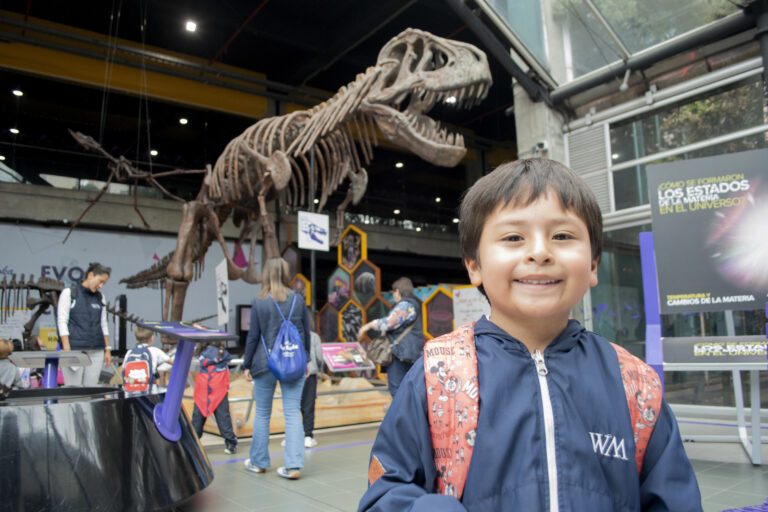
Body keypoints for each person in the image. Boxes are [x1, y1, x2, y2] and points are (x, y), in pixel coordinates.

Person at [359, 159, 701, 511]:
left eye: (562, 236)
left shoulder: (636, 383)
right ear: (474, 265)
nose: (539, 252)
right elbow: (386, 490)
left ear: (594, 265)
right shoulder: (435, 376)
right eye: (513, 237)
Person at [242, 257, 310, 480]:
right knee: (292, 412)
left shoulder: (259, 301)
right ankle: (293, 466)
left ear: (266, 274)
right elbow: (305, 333)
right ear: (286, 273)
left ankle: (259, 462)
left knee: (262, 413)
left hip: (265, 362)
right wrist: (306, 360)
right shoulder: (297, 300)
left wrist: (246, 364)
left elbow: (253, 337)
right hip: (293, 361)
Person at [358, 277, 424, 397]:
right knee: (410, 391)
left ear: (398, 292)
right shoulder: (415, 304)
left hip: (400, 354)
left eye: (393, 292)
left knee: (398, 392)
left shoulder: (405, 305)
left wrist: (368, 326)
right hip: (411, 353)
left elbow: (388, 323)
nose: (393, 295)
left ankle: (402, 415)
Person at [57, 262, 112, 387]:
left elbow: (103, 323)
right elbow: (62, 321)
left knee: (91, 391)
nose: (101, 286)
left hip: (97, 350)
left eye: (104, 283)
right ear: (91, 275)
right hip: (75, 349)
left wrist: (107, 349)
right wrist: (67, 349)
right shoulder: (69, 292)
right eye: (100, 281)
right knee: (73, 391)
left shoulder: (100, 297)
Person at [191, 342, 238, 455]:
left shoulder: (200, 353)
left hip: (203, 389)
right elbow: (228, 358)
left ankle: (193, 442)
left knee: (198, 418)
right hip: (219, 389)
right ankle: (231, 444)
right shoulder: (223, 354)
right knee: (223, 417)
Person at [300, 319, 326, 448]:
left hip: (293, 375)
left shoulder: (292, 334)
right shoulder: (314, 336)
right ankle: (307, 436)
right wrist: (320, 368)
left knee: (293, 406)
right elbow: (319, 357)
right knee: (308, 406)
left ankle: (291, 436)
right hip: (311, 373)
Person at [121, 326, 171, 392]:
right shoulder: (155, 350)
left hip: (130, 391)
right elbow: (174, 363)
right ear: (152, 338)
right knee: (166, 391)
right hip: (149, 393)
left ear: (137, 338)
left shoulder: (129, 352)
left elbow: (123, 371)